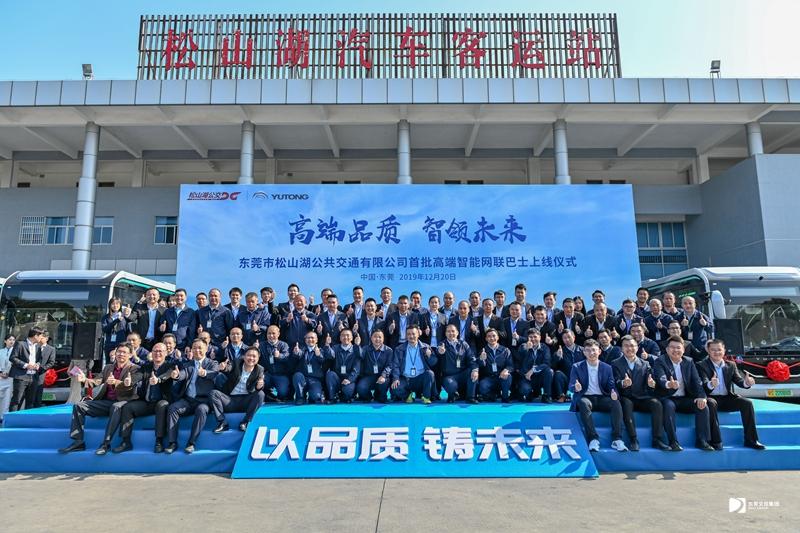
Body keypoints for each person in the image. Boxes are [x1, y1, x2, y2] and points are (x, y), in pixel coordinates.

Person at [58, 342, 142, 455]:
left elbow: (131, 387)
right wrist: (84, 379)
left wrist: (116, 382)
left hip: (124, 402)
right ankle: (78, 442)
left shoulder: (135, 368)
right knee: (79, 406)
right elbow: (97, 381)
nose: (121, 354)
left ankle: (105, 444)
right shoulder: (108, 367)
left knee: (116, 406)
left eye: (124, 352)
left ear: (130, 355)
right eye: (119, 351)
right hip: (106, 402)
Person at [697, 339, 765, 450]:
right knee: (711, 403)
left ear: (724, 350)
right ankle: (716, 441)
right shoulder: (701, 365)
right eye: (713, 350)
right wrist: (711, 384)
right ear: (708, 351)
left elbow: (739, 381)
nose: (716, 352)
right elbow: (703, 384)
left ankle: (751, 440)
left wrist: (746, 383)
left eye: (719, 349)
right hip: (711, 398)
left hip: (727, 398)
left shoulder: (731, 365)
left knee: (747, 403)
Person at [653, 335, 715, 451]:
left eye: (678, 347)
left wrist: (702, 396)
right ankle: (673, 441)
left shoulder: (689, 361)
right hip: (668, 396)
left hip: (685, 397)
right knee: (668, 406)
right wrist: (669, 384)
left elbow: (697, 381)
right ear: (667, 349)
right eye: (672, 347)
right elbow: (661, 378)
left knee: (703, 405)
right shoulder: (660, 361)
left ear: (683, 349)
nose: (675, 350)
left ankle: (702, 440)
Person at [568, 339, 627, 452]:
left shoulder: (607, 367)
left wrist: (614, 393)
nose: (591, 353)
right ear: (584, 352)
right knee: (583, 403)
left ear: (599, 351)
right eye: (588, 350)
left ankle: (617, 439)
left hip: (602, 398)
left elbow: (611, 385)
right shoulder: (577, 367)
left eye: (594, 350)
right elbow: (571, 385)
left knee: (616, 403)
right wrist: (575, 387)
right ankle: (593, 439)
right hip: (586, 397)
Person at [612, 336, 669, 451]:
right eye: (626, 346)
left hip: (642, 397)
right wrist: (623, 383)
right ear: (622, 348)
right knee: (627, 404)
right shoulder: (615, 363)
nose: (629, 348)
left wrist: (651, 384)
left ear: (637, 347)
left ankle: (657, 439)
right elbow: (614, 382)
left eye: (632, 346)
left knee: (656, 404)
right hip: (626, 396)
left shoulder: (645, 363)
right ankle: (633, 439)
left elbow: (650, 383)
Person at [118, 342, 177, 453]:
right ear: (151, 353)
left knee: (162, 405)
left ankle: (159, 441)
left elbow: (168, 375)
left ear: (166, 353)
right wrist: (130, 381)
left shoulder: (171, 366)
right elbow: (138, 375)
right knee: (128, 407)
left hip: (162, 401)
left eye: (160, 351)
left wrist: (158, 380)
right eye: (155, 351)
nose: (157, 353)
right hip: (147, 401)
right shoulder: (146, 366)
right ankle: (126, 441)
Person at [165, 339, 220, 454]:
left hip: (204, 401)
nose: (197, 350)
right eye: (194, 348)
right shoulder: (187, 364)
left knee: (201, 410)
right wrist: (176, 375)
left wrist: (204, 373)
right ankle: (172, 442)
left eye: (200, 348)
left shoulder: (212, 363)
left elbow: (214, 373)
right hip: (188, 400)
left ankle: (191, 443)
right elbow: (183, 374)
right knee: (173, 408)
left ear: (206, 349)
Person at [209, 347, 265, 433]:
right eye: (249, 355)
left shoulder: (260, 369)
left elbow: (258, 387)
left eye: (254, 356)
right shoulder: (236, 362)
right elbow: (229, 368)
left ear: (258, 358)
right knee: (213, 393)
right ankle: (223, 423)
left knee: (260, 394)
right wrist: (224, 367)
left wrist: (259, 386)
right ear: (244, 356)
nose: (251, 358)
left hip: (246, 401)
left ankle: (245, 422)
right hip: (230, 400)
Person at [9, 327, 52, 412]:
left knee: (30, 402)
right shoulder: (20, 344)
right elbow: (13, 358)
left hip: (34, 377)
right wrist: (26, 365)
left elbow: (39, 359)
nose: (41, 338)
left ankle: (27, 419)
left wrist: (37, 364)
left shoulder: (38, 347)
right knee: (17, 401)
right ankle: (13, 419)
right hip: (21, 377)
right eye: (41, 336)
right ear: (35, 336)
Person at [391, 325, 436, 403]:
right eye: (408, 334)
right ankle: (407, 395)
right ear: (406, 336)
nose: (411, 336)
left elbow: (433, 363)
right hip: (406, 378)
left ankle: (426, 397)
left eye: (413, 334)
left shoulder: (425, 347)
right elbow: (395, 365)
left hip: (420, 378)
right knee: (395, 387)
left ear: (418, 334)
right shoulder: (399, 349)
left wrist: (429, 356)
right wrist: (396, 378)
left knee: (430, 374)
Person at [437, 324, 477, 403]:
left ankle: (470, 397)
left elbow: (471, 358)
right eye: (448, 331)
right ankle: (453, 395)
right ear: (445, 333)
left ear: (457, 333)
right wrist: (440, 351)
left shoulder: (464, 344)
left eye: (453, 331)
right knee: (450, 385)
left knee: (473, 371)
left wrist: (475, 370)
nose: (451, 333)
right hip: (449, 376)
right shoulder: (442, 344)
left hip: (463, 374)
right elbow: (438, 352)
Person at [292, 331, 330, 405]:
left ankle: (312, 395)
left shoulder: (321, 350)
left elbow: (322, 360)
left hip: (315, 380)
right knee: (297, 375)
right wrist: (296, 352)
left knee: (316, 397)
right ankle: (300, 397)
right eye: (308, 338)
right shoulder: (302, 349)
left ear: (316, 340)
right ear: (305, 340)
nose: (310, 340)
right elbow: (298, 354)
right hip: (303, 378)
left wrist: (318, 355)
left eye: (312, 338)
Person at [323, 329, 361, 404]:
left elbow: (356, 369)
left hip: (349, 379)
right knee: (330, 374)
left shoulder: (356, 349)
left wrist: (349, 380)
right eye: (343, 335)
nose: (345, 337)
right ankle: (332, 397)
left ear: (352, 338)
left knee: (348, 392)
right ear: (340, 338)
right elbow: (330, 355)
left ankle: (346, 395)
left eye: (348, 335)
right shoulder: (335, 348)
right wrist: (327, 345)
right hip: (337, 378)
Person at [476, 329, 513, 403]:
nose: (492, 338)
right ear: (486, 338)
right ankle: (493, 395)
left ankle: (505, 397)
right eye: (489, 336)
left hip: (501, 376)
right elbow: (479, 365)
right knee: (483, 386)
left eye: (494, 336)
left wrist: (506, 370)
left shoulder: (505, 350)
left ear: (498, 337)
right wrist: (481, 359)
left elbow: (510, 365)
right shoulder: (483, 351)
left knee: (508, 376)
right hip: (489, 378)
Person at [356, 329, 393, 403]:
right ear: (371, 338)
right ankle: (368, 397)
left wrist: (383, 375)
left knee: (384, 382)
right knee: (361, 387)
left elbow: (389, 365)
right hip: (369, 376)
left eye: (380, 337)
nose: (377, 339)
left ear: (383, 338)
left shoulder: (388, 350)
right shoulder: (365, 349)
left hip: (382, 375)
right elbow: (360, 355)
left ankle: (381, 396)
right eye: (375, 337)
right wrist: (357, 345)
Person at [517, 329, 553, 403]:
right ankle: (531, 393)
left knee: (549, 371)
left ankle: (547, 395)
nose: (533, 339)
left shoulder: (545, 347)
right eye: (530, 337)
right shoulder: (523, 347)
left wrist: (533, 370)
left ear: (540, 337)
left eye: (535, 337)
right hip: (527, 377)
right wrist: (526, 350)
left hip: (539, 376)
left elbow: (547, 363)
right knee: (525, 389)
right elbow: (520, 362)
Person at [259, 325, 293, 401]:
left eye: (273, 333)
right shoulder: (261, 345)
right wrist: (255, 349)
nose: (271, 335)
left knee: (283, 393)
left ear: (278, 334)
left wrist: (279, 356)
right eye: (269, 333)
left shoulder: (284, 345)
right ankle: (269, 395)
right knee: (259, 384)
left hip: (281, 374)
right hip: (267, 374)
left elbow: (287, 357)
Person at [552, 330, 582, 402]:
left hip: (580, 378)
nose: (567, 340)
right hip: (567, 378)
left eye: (569, 337)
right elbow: (553, 367)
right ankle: (561, 395)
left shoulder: (583, 350)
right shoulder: (559, 351)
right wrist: (557, 357)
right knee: (558, 374)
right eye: (564, 338)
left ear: (574, 337)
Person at [33, 331, 57, 408]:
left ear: (46, 338)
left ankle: (37, 409)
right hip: (31, 372)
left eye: (42, 338)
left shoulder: (51, 349)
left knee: (38, 393)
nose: (40, 339)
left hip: (41, 373)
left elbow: (52, 362)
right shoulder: (34, 346)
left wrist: (42, 369)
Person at [0, 334, 16, 423]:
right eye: (10, 339)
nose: (11, 341)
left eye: (13, 340)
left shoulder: (16, 352)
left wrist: (9, 373)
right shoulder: (1, 351)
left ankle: (3, 417)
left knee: (7, 398)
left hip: (10, 378)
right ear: (5, 341)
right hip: (0, 377)